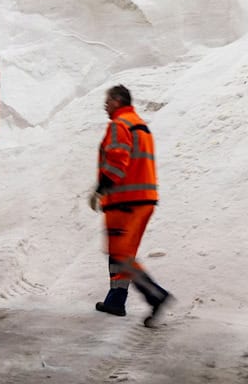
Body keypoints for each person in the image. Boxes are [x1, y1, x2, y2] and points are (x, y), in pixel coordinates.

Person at [88, 84, 173, 327]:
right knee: (121, 252)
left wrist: (101, 188)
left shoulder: (119, 124)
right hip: (142, 199)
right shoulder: (139, 124)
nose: (105, 105)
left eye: (108, 100)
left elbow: (117, 159)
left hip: (124, 200)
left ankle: (156, 295)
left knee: (121, 255)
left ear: (117, 101)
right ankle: (116, 299)